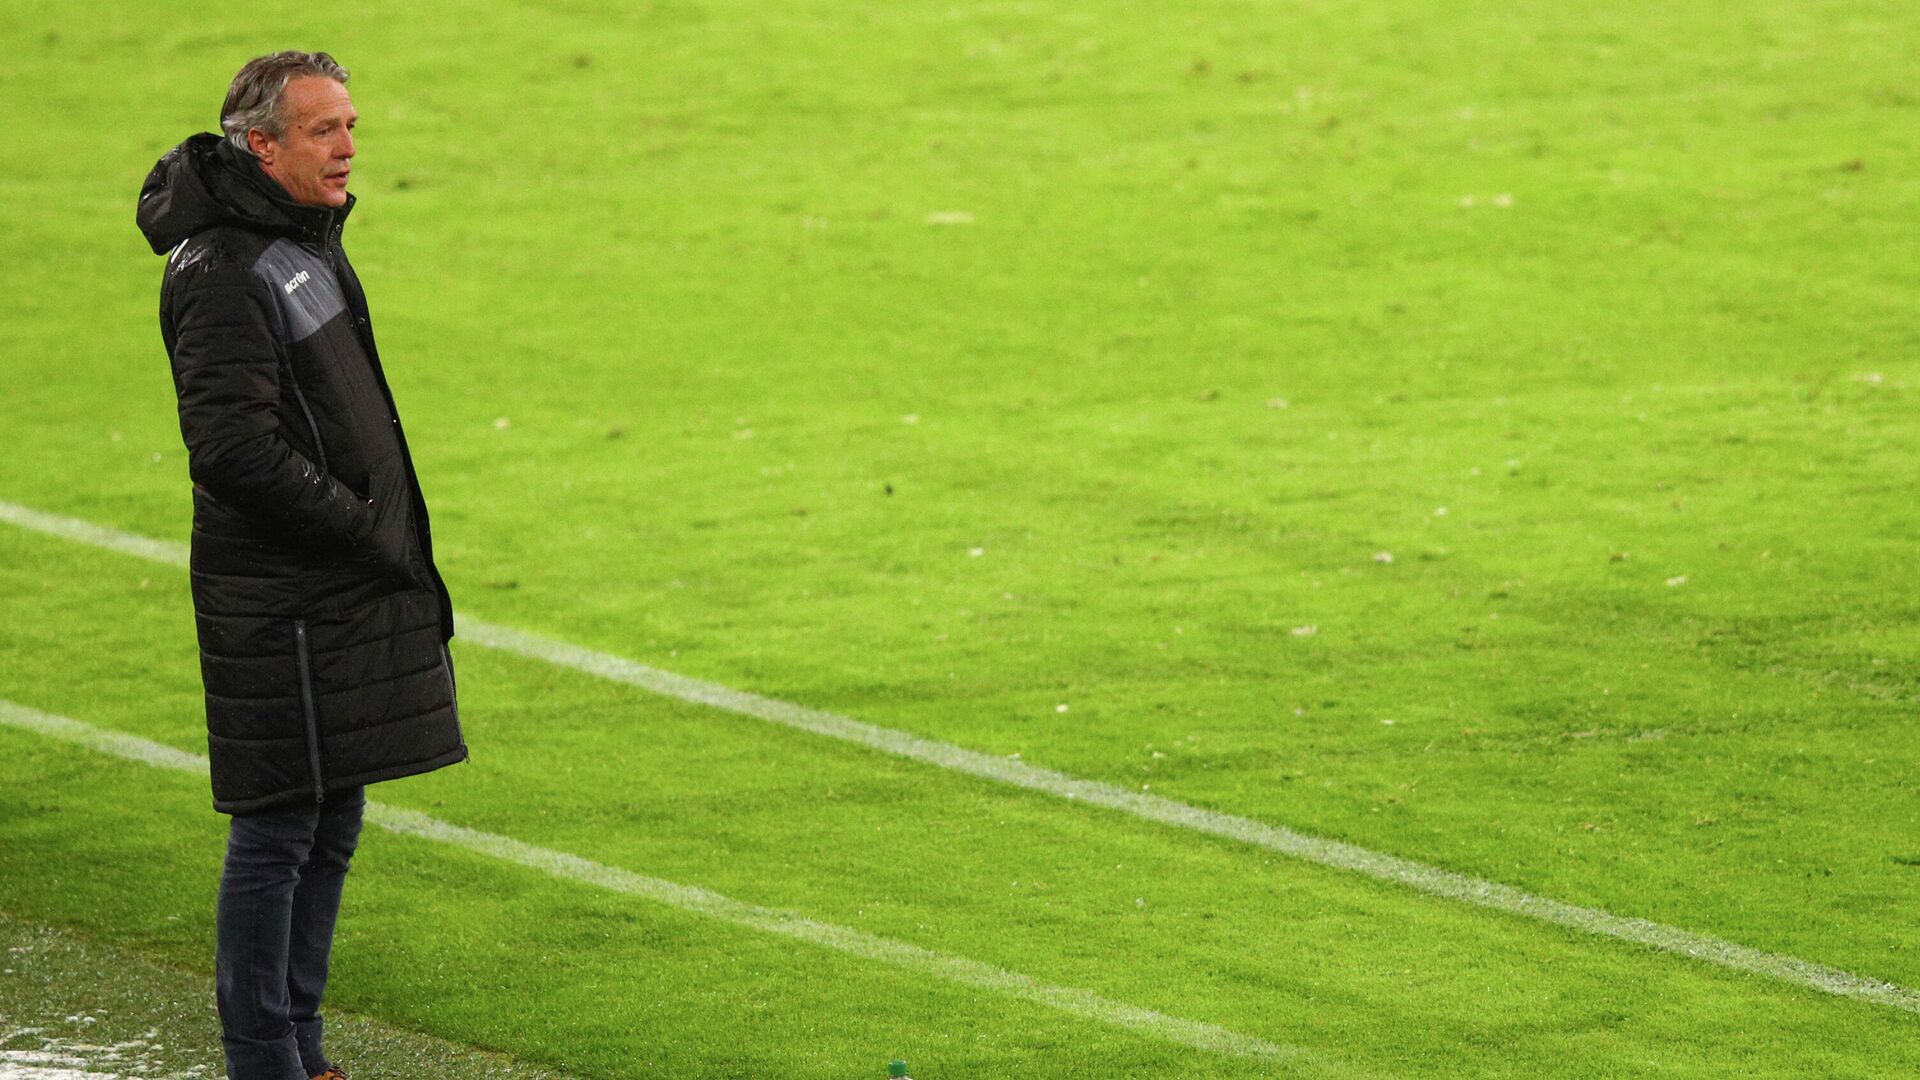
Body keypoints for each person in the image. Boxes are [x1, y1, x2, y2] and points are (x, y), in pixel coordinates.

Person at [136, 51, 467, 1080]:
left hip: (330, 589)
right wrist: (360, 525)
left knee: (330, 814)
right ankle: (264, 1058)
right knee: (280, 828)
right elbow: (231, 449)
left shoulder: (299, 242)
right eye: (325, 131)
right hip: (281, 597)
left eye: (351, 124)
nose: (350, 147)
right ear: (259, 144)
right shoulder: (225, 268)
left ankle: (302, 1050)